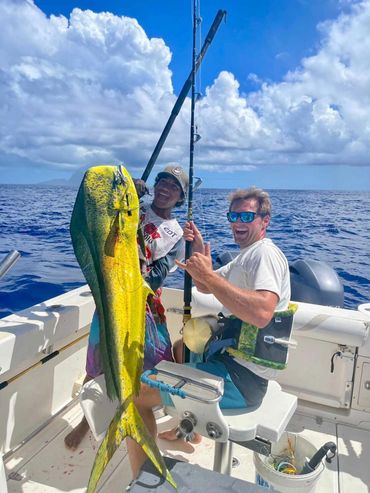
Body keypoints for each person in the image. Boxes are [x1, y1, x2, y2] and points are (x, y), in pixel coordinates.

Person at [126, 186, 292, 479]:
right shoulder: (247, 255)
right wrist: (201, 255)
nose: (237, 222)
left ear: (264, 220)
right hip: (234, 364)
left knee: (137, 396)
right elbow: (206, 285)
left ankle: (144, 478)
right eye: (233, 215)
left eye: (246, 216)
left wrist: (209, 278)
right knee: (181, 348)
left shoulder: (264, 254)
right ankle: (188, 433)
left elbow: (262, 313)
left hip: (242, 381)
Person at [64, 165, 189, 450]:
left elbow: (158, 274)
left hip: (143, 303)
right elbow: (96, 198)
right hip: (111, 295)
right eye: (162, 181)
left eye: (174, 186)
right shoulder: (130, 205)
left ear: (180, 197)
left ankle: (143, 414)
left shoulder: (178, 235)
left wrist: (132, 263)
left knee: (155, 365)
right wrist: (128, 187)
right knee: (98, 360)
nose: (165, 188)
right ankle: (87, 420)